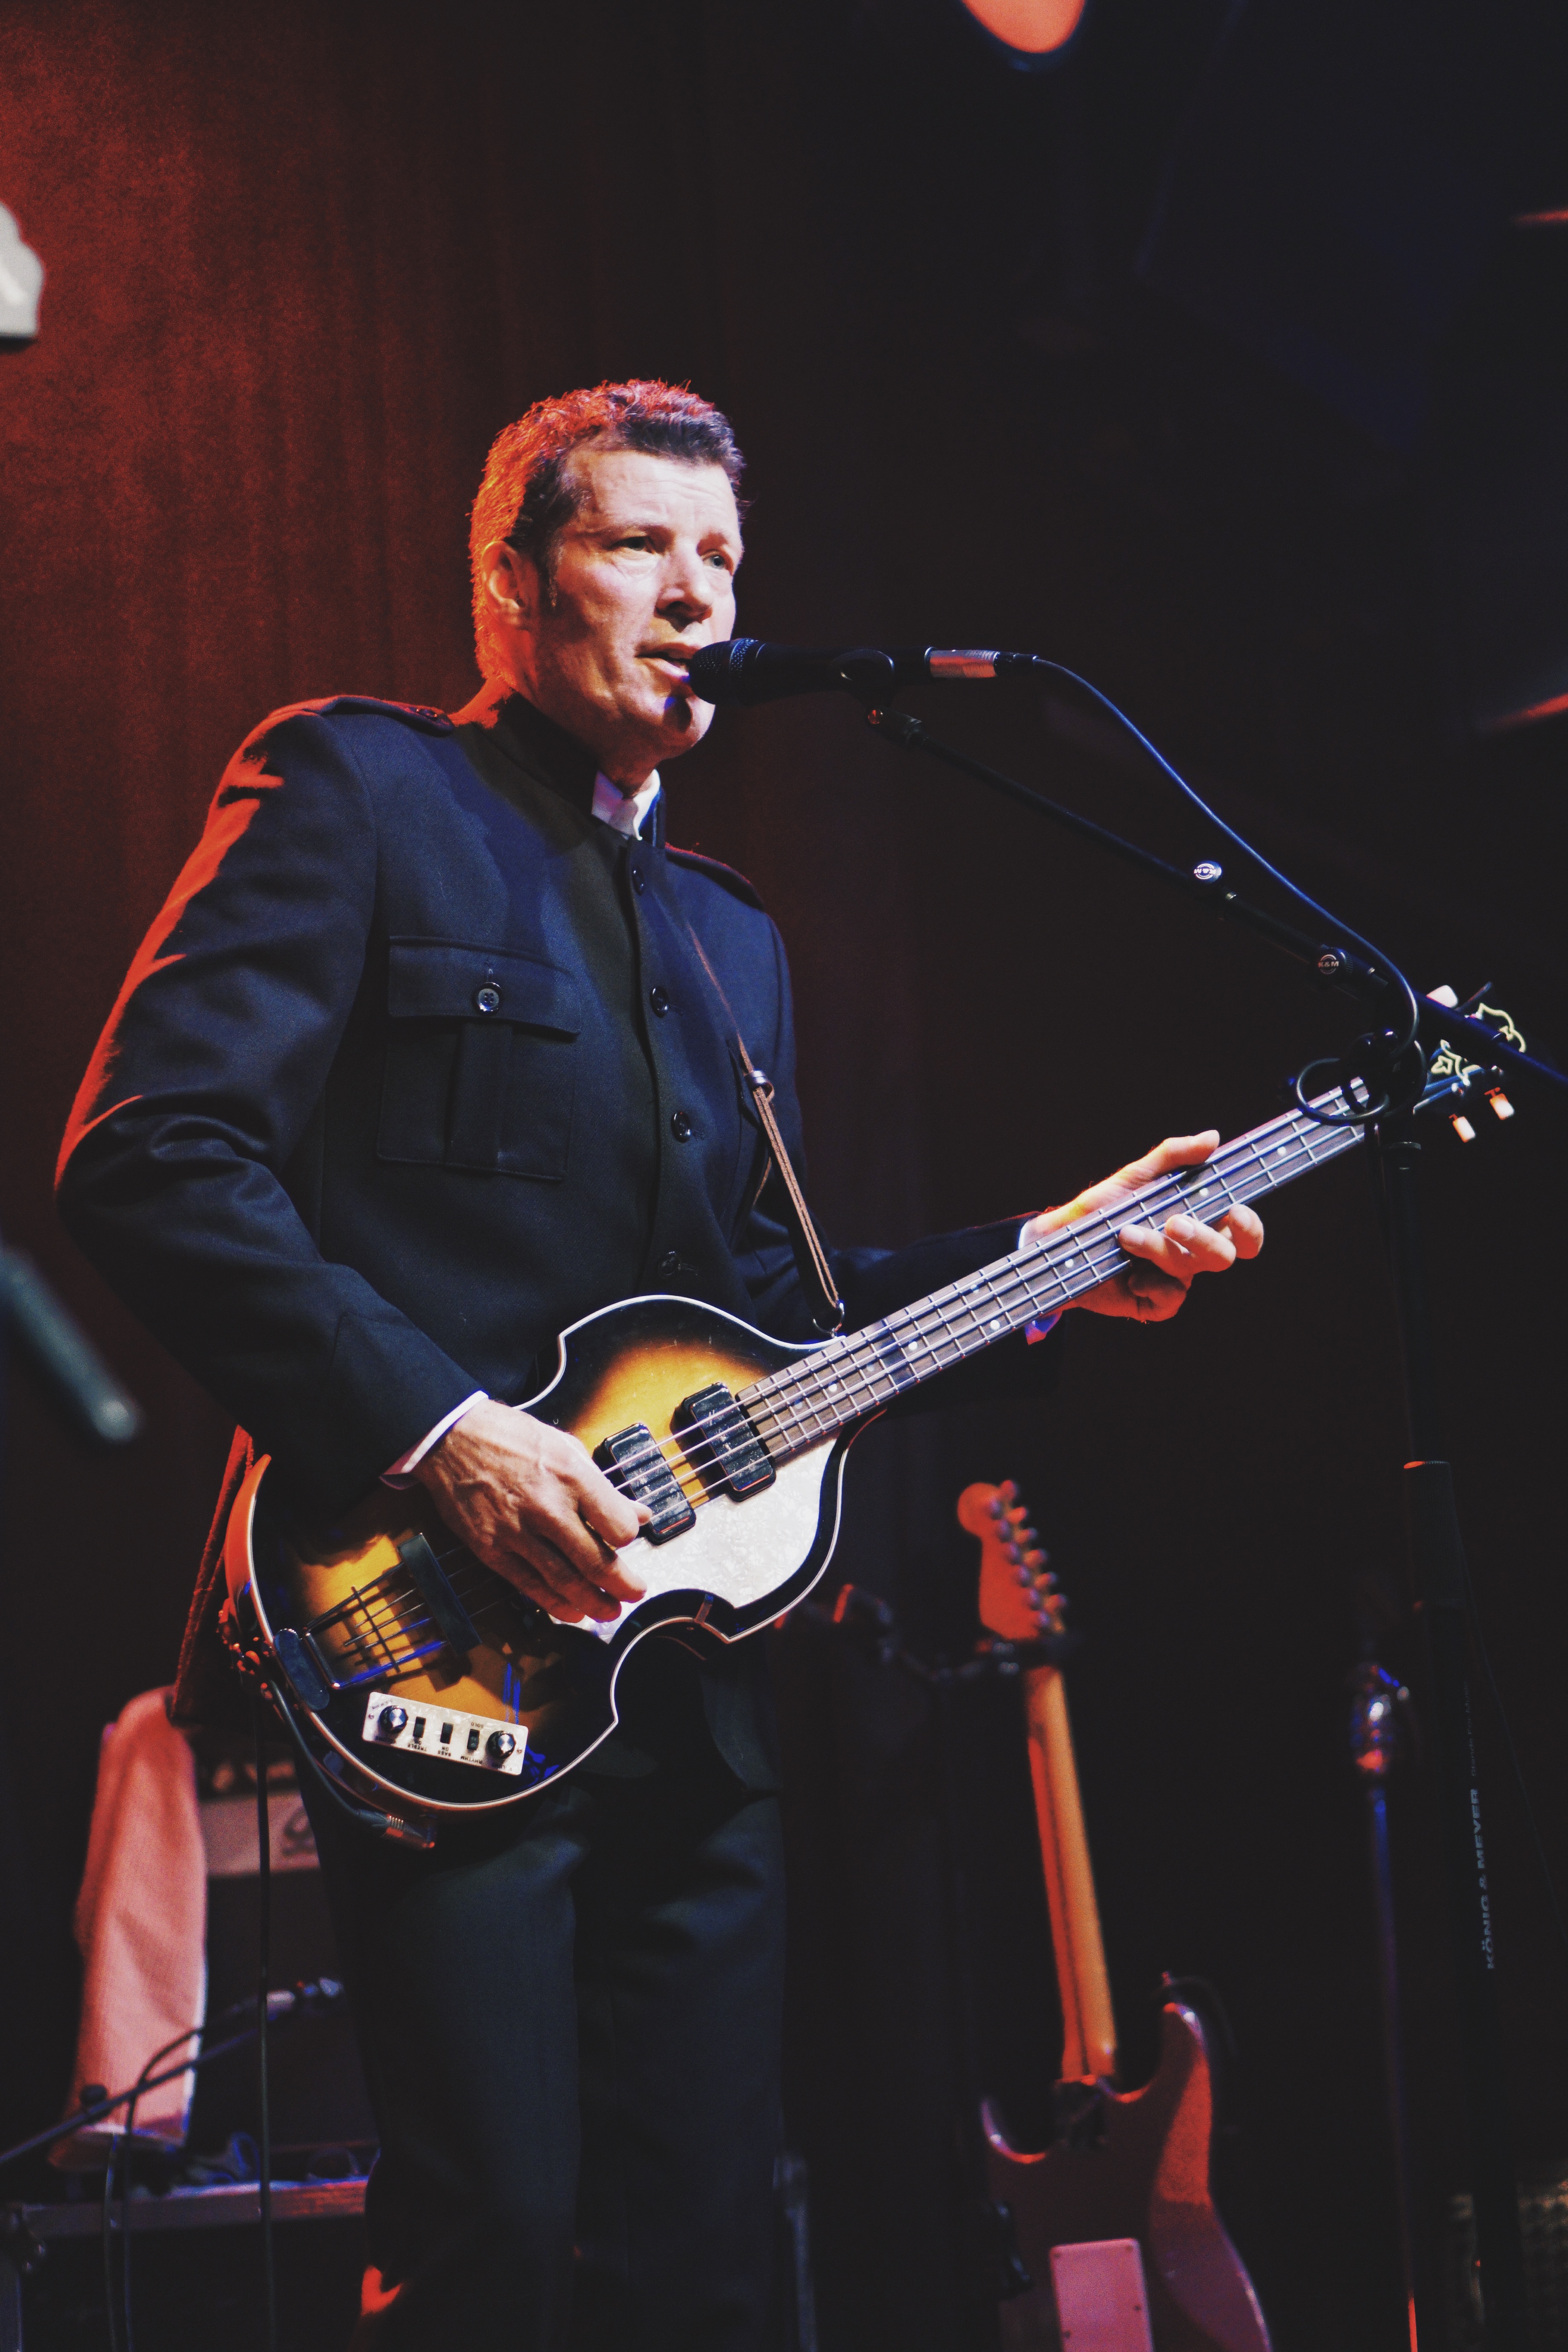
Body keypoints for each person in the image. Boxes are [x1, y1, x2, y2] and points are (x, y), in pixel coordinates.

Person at [55, 380, 1262, 2349]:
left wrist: (1051, 1257)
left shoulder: (728, 935)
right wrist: (445, 1432)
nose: (699, 595)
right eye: (639, 546)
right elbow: (152, 1152)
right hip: (432, 1640)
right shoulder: (360, 789)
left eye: (722, 557)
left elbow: (775, 1327)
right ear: (510, 583)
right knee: (493, 2230)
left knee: (702, 2255)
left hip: (689, 1690)